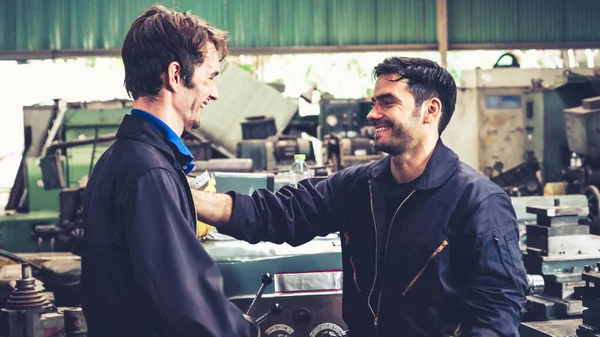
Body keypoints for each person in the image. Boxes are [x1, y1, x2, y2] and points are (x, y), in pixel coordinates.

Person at [193, 57, 528, 336]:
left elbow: (496, 312)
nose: (372, 113)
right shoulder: (359, 185)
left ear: (430, 110)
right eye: (373, 102)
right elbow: (283, 213)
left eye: (388, 102)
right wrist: (189, 198)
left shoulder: (479, 202)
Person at [80, 5, 257, 337]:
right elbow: (188, 305)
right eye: (210, 78)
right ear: (176, 75)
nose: (214, 93)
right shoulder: (149, 172)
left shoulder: (124, 158)